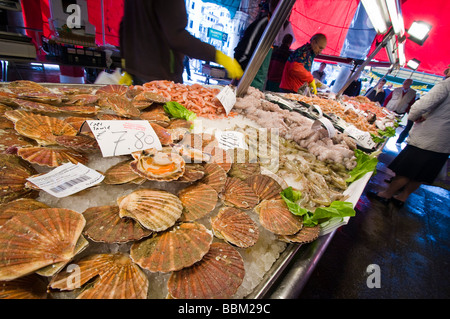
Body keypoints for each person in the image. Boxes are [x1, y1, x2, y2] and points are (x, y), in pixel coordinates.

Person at [368, 76, 450, 207]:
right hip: (444, 144)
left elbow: (420, 106)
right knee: (421, 174)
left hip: (428, 138)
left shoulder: (447, 84)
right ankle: (402, 198)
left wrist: (415, 117)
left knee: (407, 170)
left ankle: (386, 194)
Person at [119, 0, 243, 84]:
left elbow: (125, 25)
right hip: (161, 77)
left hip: (136, 71)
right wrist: (218, 56)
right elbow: (176, 37)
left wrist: (127, 63)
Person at [233, 0, 279, 90]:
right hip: (247, 82)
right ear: (276, 9)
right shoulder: (262, 24)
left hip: (258, 84)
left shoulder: (272, 28)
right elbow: (243, 50)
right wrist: (239, 73)